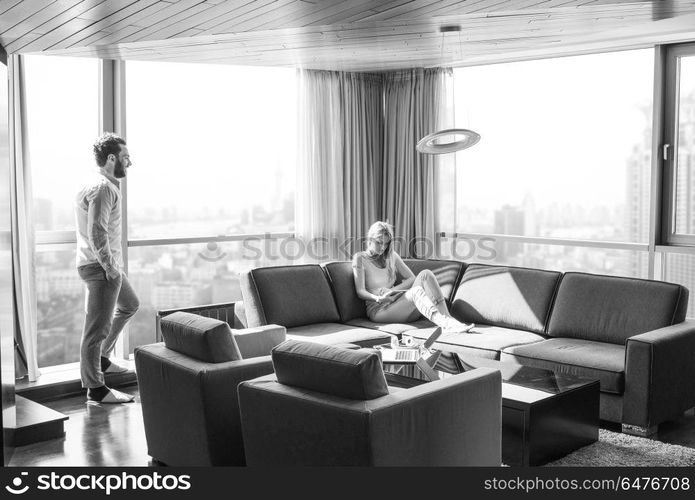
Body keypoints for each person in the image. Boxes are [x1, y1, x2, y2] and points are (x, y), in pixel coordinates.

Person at [75, 133, 139, 404]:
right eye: (125, 157)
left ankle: (103, 356)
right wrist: (111, 268)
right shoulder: (103, 188)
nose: (129, 163)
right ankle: (96, 389)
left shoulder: (102, 185)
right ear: (112, 158)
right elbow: (97, 231)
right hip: (102, 268)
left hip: (106, 266)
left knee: (130, 304)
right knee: (95, 330)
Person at [352, 221, 474, 332]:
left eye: (386, 243)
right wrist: (378, 298)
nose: (383, 247)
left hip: (399, 304)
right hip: (379, 310)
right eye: (379, 243)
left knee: (426, 274)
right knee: (416, 292)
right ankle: (446, 325)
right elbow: (360, 291)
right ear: (370, 239)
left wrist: (391, 291)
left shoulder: (392, 256)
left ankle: (448, 319)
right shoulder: (360, 258)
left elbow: (412, 279)